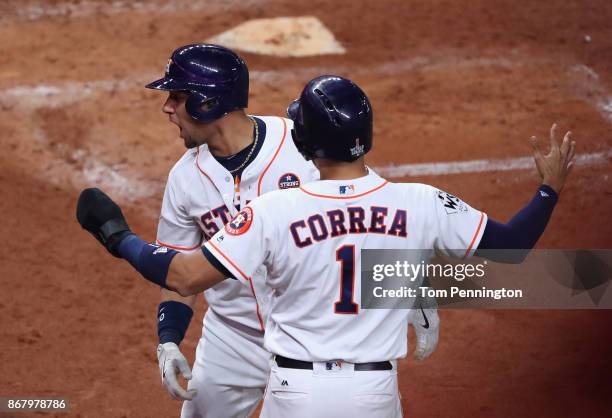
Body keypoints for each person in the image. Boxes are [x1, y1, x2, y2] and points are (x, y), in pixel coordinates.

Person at [76, 75, 574, 417]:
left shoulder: (273, 212)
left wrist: (118, 238)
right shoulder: (418, 202)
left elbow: (184, 275)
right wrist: (548, 189)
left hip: (297, 390)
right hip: (374, 392)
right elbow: (513, 247)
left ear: (305, 142)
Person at [140, 45, 438, 418]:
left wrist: (413, 290)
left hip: (312, 342)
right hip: (231, 340)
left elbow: (371, 211)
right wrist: (168, 341)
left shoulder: (300, 144)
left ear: (207, 103)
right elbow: (180, 272)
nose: (167, 107)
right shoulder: (184, 179)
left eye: (177, 97)